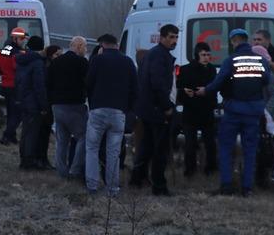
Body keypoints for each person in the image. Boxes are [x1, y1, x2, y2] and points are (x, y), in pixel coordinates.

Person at [195, 28, 274, 196]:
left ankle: (226, 186)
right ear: (247, 40)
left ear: (233, 41)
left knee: (225, 147)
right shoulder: (261, 61)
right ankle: (247, 188)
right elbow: (267, 81)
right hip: (254, 111)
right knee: (250, 150)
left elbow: (217, 83)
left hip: (233, 111)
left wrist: (204, 91)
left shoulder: (231, 60)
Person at [85, 35, 137, 196]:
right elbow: (135, 88)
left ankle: (92, 185)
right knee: (113, 151)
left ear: (102, 45)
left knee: (92, 148)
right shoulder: (128, 62)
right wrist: (126, 108)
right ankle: (112, 188)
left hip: (98, 110)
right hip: (118, 112)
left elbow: (88, 83)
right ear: (117, 45)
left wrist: (93, 102)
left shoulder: (97, 60)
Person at [130, 24, 178, 196]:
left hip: (148, 109)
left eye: (176, 37)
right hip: (158, 110)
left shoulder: (154, 54)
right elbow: (158, 84)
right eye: (171, 37)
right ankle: (159, 186)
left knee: (147, 146)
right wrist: (166, 106)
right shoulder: (159, 56)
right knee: (160, 149)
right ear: (162, 37)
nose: (174, 41)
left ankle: (137, 178)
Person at [46, 36, 89, 179]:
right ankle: (75, 169)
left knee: (62, 140)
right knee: (83, 137)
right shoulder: (82, 62)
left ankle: (61, 171)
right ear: (78, 46)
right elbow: (88, 82)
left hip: (57, 106)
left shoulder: (56, 62)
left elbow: (48, 83)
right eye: (85, 47)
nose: (86, 50)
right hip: (75, 106)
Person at [176, 42, 217, 177]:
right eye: (203, 55)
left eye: (208, 55)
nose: (206, 57)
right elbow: (178, 89)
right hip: (191, 111)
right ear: (197, 55)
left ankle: (210, 169)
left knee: (210, 143)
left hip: (207, 111)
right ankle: (190, 171)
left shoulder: (211, 69)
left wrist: (207, 93)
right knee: (190, 144)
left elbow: (214, 89)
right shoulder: (186, 69)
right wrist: (185, 92)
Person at [16, 35, 49, 169]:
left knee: (25, 131)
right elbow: (39, 86)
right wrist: (44, 105)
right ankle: (29, 161)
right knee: (32, 133)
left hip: (23, 99)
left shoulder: (22, 61)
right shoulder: (38, 63)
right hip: (34, 102)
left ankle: (24, 158)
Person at [252, 29, 274, 150]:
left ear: (267, 40)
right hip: (257, 108)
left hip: (269, 107)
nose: (256, 42)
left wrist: (267, 62)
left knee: (271, 146)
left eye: (259, 39)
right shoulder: (252, 54)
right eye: (254, 39)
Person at [0, 27, 28, 145]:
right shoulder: (17, 52)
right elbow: (18, 68)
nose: (23, 41)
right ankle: (7, 135)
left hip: (5, 85)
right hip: (15, 86)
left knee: (11, 112)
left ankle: (12, 137)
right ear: (15, 38)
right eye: (21, 39)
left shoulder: (5, 49)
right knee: (18, 113)